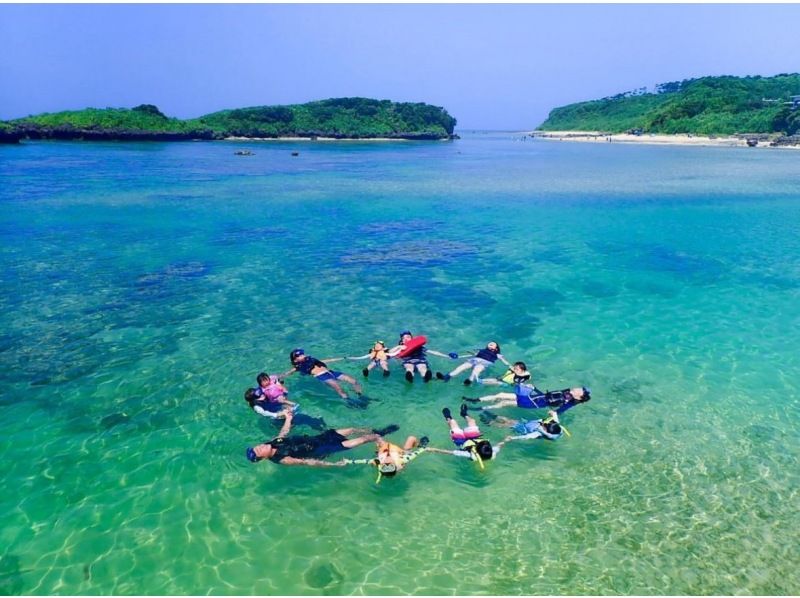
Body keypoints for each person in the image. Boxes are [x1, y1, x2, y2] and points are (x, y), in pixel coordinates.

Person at [246, 411, 398, 466]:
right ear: (262, 458)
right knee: (364, 439)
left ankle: (378, 432)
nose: (259, 447)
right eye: (258, 451)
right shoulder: (282, 459)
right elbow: (307, 462)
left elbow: (283, 433)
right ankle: (379, 441)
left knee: (351, 429)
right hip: (323, 448)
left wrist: (287, 418)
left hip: (320, 438)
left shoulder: (273, 442)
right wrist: (334, 465)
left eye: (256, 447)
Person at [282, 348, 365, 405]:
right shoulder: (298, 367)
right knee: (339, 388)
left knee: (353, 381)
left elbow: (324, 361)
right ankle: (350, 402)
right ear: (295, 359)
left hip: (331, 372)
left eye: (302, 354)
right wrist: (280, 377)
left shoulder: (311, 360)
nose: (302, 355)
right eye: (299, 355)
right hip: (322, 376)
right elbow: (288, 373)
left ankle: (361, 396)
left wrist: (339, 358)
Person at [425, 405, 499, 465]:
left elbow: (449, 452)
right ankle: (464, 414)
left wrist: (432, 449)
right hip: (475, 438)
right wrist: (507, 439)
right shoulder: (492, 451)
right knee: (472, 421)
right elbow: (499, 445)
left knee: (453, 423)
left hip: (461, 442)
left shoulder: (468, 454)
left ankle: (448, 417)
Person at [345, 434, 429, 482]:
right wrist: (423, 448)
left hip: (397, 454)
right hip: (400, 454)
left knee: (377, 440)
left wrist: (347, 461)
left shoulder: (378, 461)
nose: (387, 460)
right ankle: (421, 444)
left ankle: (419, 444)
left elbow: (362, 461)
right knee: (411, 439)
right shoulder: (401, 461)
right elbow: (417, 452)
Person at [463, 383, 591, 413]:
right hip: (534, 397)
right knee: (501, 395)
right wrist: (533, 388)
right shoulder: (567, 391)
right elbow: (547, 394)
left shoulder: (571, 402)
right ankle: (476, 400)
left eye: (580, 389)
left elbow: (559, 411)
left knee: (503, 403)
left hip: (532, 404)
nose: (577, 388)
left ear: (580, 395)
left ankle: (480, 408)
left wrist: (552, 414)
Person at [386, 331, 454, 383]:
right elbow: (389, 352)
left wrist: (446, 356)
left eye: (408, 337)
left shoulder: (419, 347)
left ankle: (425, 377)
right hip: (408, 361)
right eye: (403, 338)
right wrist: (399, 347)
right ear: (401, 341)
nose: (406, 339)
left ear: (412, 338)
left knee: (422, 367)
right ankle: (410, 377)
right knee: (409, 367)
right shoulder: (400, 348)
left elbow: (433, 352)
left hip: (420, 361)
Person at [435, 341, 512, 385]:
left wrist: (510, 366)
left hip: (484, 363)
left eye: (492, 344)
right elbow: (471, 354)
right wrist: (458, 356)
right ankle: (446, 376)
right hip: (474, 360)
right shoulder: (481, 350)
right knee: (460, 368)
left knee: (475, 371)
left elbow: (504, 361)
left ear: (496, 348)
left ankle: (469, 381)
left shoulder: (497, 354)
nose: (490, 343)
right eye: (489, 343)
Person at [486, 410, 567, 448]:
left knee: (507, 425)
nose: (542, 423)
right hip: (526, 424)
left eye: (543, 425)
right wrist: (552, 413)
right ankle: (494, 417)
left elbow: (526, 437)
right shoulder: (555, 425)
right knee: (510, 421)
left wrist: (512, 438)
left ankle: (490, 422)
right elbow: (555, 415)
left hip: (523, 429)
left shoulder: (538, 433)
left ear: (545, 430)